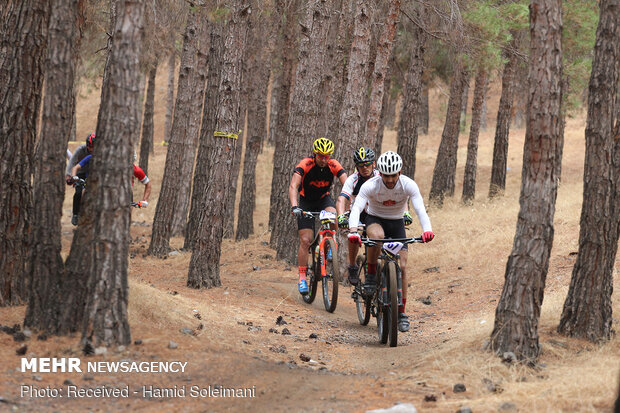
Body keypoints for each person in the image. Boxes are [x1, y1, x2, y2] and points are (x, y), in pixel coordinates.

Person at [347, 151, 434, 332]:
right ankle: (371, 274)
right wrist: (354, 230)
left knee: (402, 267)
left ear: (399, 172)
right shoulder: (371, 185)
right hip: (375, 219)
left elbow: (419, 209)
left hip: (397, 223)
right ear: (380, 173)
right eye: (386, 175)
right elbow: (357, 208)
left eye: (393, 175)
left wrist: (427, 230)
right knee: (376, 237)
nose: (389, 180)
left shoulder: (408, 185)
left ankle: (401, 312)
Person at [289, 138, 348, 296]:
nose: (324, 159)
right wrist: (295, 206)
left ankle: (330, 243)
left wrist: (350, 205)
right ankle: (302, 277)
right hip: (306, 202)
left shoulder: (333, 165)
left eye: (327, 156)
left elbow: (347, 184)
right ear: (315, 154)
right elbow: (294, 185)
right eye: (321, 156)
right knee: (306, 240)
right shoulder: (305, 164)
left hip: (323, 200)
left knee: (334, 216)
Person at [335, 147, 380, 285]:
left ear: (374, 164)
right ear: (356, 167)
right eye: (361, 165)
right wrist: (341, 216)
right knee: (356, 233)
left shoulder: (381, 176)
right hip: (359, 214)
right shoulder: (352, 179)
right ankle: (353, 265)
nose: (364, 168)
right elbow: (341, 199)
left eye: (367, 164)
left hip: (376, 213)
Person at [70, 151, 151, 224]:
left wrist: (145, 200)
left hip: (127, 193)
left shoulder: (137, 170)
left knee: (127, 216)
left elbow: (148, 184)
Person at [66, 133, 95, 225]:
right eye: (91, 147)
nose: (92, 149)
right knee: (78, 192)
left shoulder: (99, 153)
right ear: (87, 145)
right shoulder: (80, 150)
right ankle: (75, 214)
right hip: (80, 173)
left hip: (92, 174)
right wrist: (69, 175)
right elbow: (72, 162)